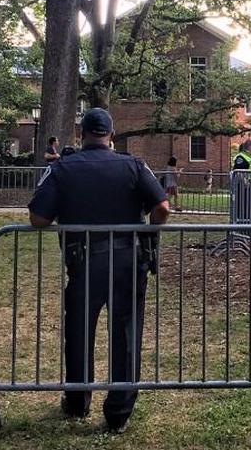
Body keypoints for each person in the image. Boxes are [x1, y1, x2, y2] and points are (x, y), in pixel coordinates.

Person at [27, 108, 169, 434]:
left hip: (84, 261)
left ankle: (78, 402)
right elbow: (162, 206)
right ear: (111, 135)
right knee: (126, 334)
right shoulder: (133, 164)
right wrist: (149, 230)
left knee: (79, 332)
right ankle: (118, 412)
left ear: (82, 134)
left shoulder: (62, 168)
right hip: (128, 261)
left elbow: (38, 219)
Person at [231, 139, 251, 222]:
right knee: (245, 206)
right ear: (250, 147)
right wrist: (245, 181)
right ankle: (243, 226)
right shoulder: (241, 157)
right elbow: (238, 171)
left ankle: (250, 224)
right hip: (245, 187)